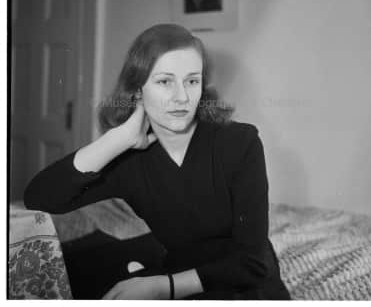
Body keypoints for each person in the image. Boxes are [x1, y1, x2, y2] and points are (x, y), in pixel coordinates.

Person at [24, 24, 290, 300]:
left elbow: (253, 263)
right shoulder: (129, 160)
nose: (182, 97)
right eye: (165, 82)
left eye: (192, 81)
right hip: (182, 280)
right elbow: (40, 198)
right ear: (138, 90)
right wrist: (117, 139)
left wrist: (162, 286)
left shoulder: (240, 142)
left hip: (247, 289)